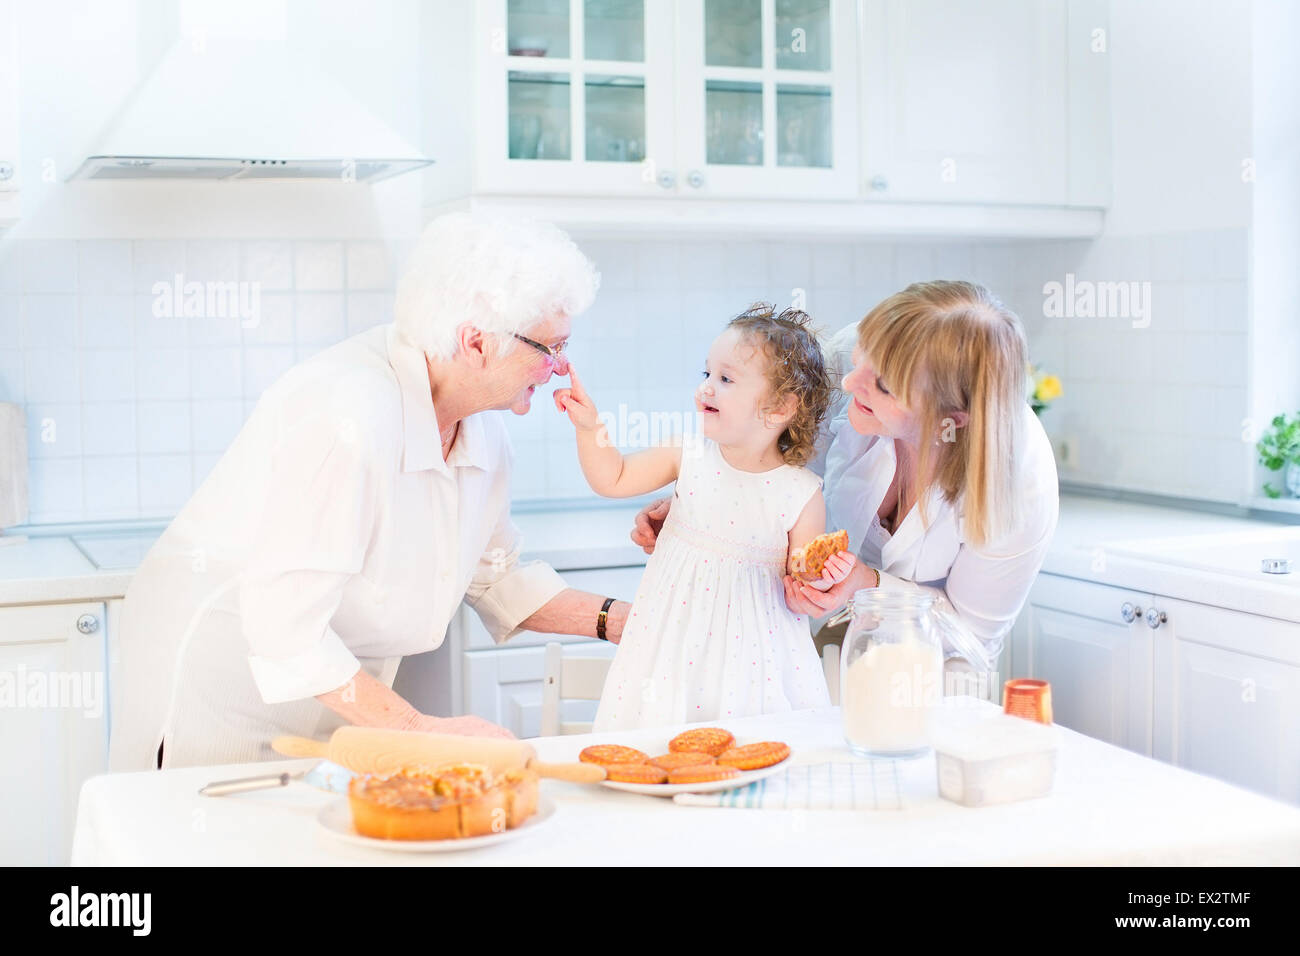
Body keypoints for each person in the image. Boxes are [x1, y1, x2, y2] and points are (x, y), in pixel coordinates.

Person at [108, 213, 634, 771]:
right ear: (476, 342)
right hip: (225, 689)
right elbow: (284, 625)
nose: (561, 368)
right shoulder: (349, 415)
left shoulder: (482, 426)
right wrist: (418, 729)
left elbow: (496, 576)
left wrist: (630, 621)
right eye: (552, 348)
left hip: (334, 692)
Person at [631, 281, 1060, 690]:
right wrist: (712, 502)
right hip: (823, 635)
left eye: (885, 386)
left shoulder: (1018, 484)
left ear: (952, 417)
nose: (850, 383)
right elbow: (770, 464)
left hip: (934, 671)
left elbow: (969, 633)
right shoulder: (845, 366)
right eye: (862, 357)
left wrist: (865, 585)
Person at [553, 304, 854, 731]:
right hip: (671, 650)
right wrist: (589, 427)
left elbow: (799, 586)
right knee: (660, 748)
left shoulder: (801, 493)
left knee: (750, 759)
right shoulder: (687, 454)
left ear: (779, 407)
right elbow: (614, 477)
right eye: (706, 374)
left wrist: (824, 577)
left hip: (756, 666)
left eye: (726, 379)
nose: (706, 389)